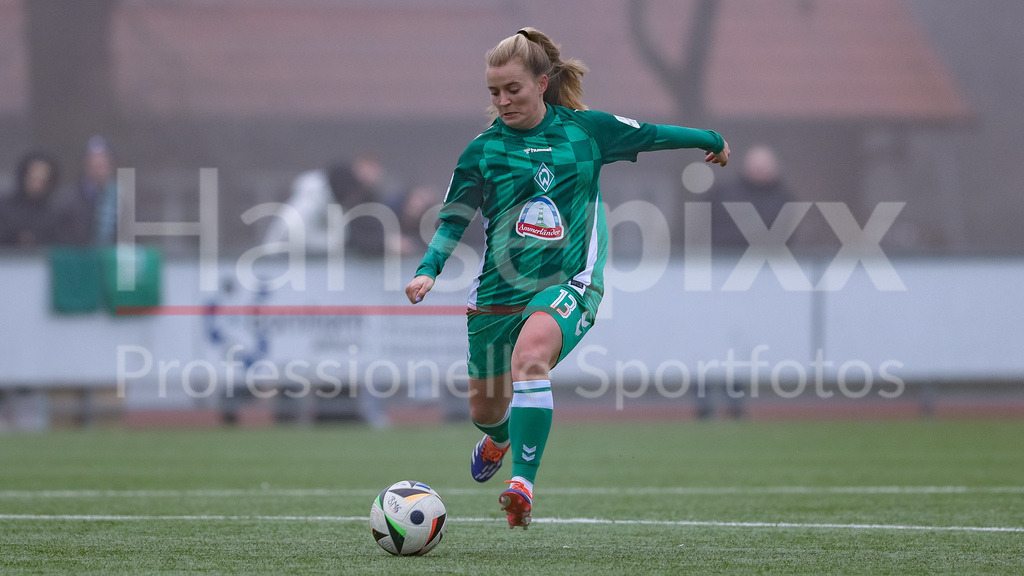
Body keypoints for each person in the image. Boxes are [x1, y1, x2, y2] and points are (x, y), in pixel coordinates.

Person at [404, 28, 730, 529]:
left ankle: (522, 486)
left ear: (541, 82)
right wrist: (428, 270)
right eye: (494, 92)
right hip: (497, 291)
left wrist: (710, 140)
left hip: (570, 281)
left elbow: (651, 133)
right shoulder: (483, 150)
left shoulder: (586, 131)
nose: (503, 100)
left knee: (531, 358)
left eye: (512, 88)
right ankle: (500, 436)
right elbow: (453, 218)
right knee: (486, 411)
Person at [708, 144, 794, 251]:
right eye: (756, 166)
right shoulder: (723, 193)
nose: (760, 170)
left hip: (767, 259)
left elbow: (786, 233)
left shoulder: (783, 198)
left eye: (763, 166)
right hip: (724, 258)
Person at [64, 135, 119, 246]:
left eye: (102, 164)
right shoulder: (68, 199)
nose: (98, 168)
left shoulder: (123, 197)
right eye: (93, 163)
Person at [0, 151, 63, 247]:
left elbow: (58, 241)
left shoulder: (54, 211)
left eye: (41, 180)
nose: (36, 185)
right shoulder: (5, 206)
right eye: (33, 178)